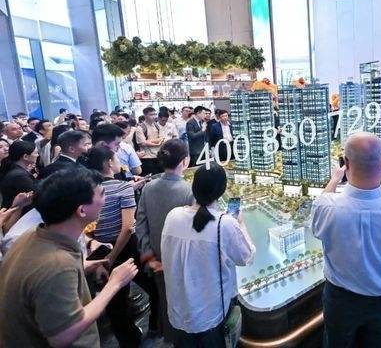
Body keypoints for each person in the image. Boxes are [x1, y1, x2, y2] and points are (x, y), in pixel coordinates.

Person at [0, 167, 138, 347]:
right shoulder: (58, 265)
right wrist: (114, 283)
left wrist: (83, 266)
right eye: (102, 194)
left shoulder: (32, 235)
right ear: (82, 210)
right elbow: (63, 335)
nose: (105, 199)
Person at [312, 133, 381, 347]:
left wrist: (335, 179)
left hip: (340, 301)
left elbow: (321, 204)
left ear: (346, 163)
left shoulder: (326, 207)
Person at [161, 165, 255, 346]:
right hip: (211, 316)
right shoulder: (224, 223)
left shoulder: (173, 216)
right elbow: (246, 256)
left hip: (178, 312)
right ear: (221, 191)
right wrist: (240, 224)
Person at [86, 146, 157, 345]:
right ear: (108, 163)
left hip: (98, 248)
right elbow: (127, 228)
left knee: (115, 304)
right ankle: (154, 327)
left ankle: (129, 340)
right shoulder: (122, 187)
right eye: (116, 158)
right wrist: (112, 257)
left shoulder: (90, 187)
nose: (120, 162)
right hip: (124, 248)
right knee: (153, 286)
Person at [136, 139, 195, 343]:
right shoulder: (189, 191)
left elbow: (140, 225)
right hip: (182, 264)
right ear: (185, 161)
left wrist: (149, 258)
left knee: (165, 301)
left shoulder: (148, 188)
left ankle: (170, 339)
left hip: (156, 261)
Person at [136, 107, 167, 175]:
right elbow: (142, 143)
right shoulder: (140, 128)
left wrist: (149, 141)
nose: (154, 116)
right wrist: (157, 143)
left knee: (161, 176)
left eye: (155, 114)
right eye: (151, 114)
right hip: (147, 157)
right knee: (150, 178)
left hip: (158, 155)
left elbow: (162, 138)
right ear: (145, 115)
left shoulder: (157, 126)